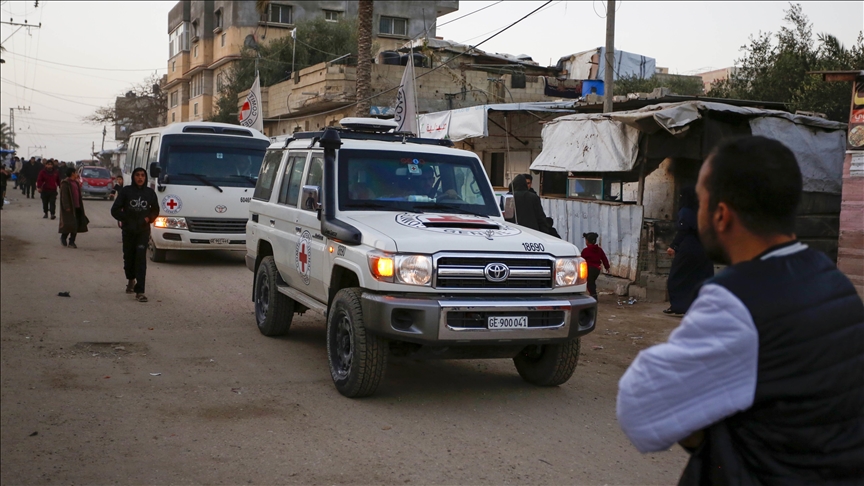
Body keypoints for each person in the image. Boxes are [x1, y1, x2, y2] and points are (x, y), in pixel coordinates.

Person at [617, 136, 864, 485]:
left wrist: (705, 425)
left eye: (701, 201)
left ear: (720, 214)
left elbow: (640, 408)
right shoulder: (833, 282)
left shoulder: (736, 301)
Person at [663, 187, 715, 316]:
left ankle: (678, 306)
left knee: (676, 277)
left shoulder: (686, 212)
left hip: (689, 248)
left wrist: (673, 246)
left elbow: (683, 230)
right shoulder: (707, 211)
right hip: (705, 249)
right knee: (701, 277)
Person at [111, 167, 159, 302]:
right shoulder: (126, 191)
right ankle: (131, 279)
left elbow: (155, 210)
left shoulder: (150, 193)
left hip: (143, 232)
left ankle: (141, 291)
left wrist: (149, 218)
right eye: (137, 175)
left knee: (141, 259)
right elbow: (114, 210)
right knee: (129, 258)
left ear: (145, 177)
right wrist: (125, 218)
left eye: (142, 175)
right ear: (133, 177)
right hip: (128, 231)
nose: (140, 178)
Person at [58, 167, 88, 248]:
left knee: (76, 224)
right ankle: (63, 237)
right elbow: (64, 196)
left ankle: (72, 241)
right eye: (75, 172)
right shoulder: (65, 183)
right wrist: (66, 206)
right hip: (70, 207)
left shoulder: (76, 183)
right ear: (72, 173)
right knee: (69, 224)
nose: (76, 174)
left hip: (77, 206)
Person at [581, 232, 610, 298]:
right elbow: (604, 258)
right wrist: (607, 267)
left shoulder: (586, 250)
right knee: (592, 281)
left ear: (587, 241)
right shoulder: (599, 250)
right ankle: (593, 294)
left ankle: (593, 296)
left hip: (589, 269)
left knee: (590, 283)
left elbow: (581, 260)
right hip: (597, 269)